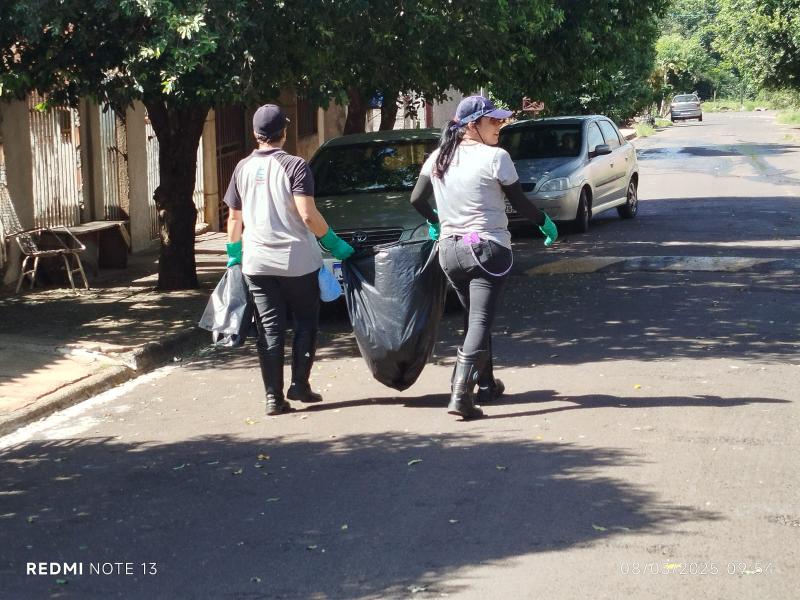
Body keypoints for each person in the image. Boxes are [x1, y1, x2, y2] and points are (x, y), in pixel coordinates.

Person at [410, 95, 558, 420]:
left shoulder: (438, 157)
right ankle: (461, 393)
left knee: (474, 317)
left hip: (451, 249)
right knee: (479, 320)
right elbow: (520, 202)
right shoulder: (496, 157)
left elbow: (417, 199)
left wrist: (437, 223)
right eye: (493, 121)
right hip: (484, 246)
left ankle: (487, 384)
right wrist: (545, 223)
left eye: (501, 120)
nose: (500, 126)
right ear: (472, 125)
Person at [224, 104, 354, 415]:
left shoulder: (241, 168)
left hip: (256, 263)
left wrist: (233, 256)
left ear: (256, 134)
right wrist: (336, 246)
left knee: (270, 329)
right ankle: (300, 384)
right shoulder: (295, 166)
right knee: (306, 321)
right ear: (283, 132)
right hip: (297, 260)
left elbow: (233, 218)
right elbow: (308, 215)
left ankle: (273, 397)